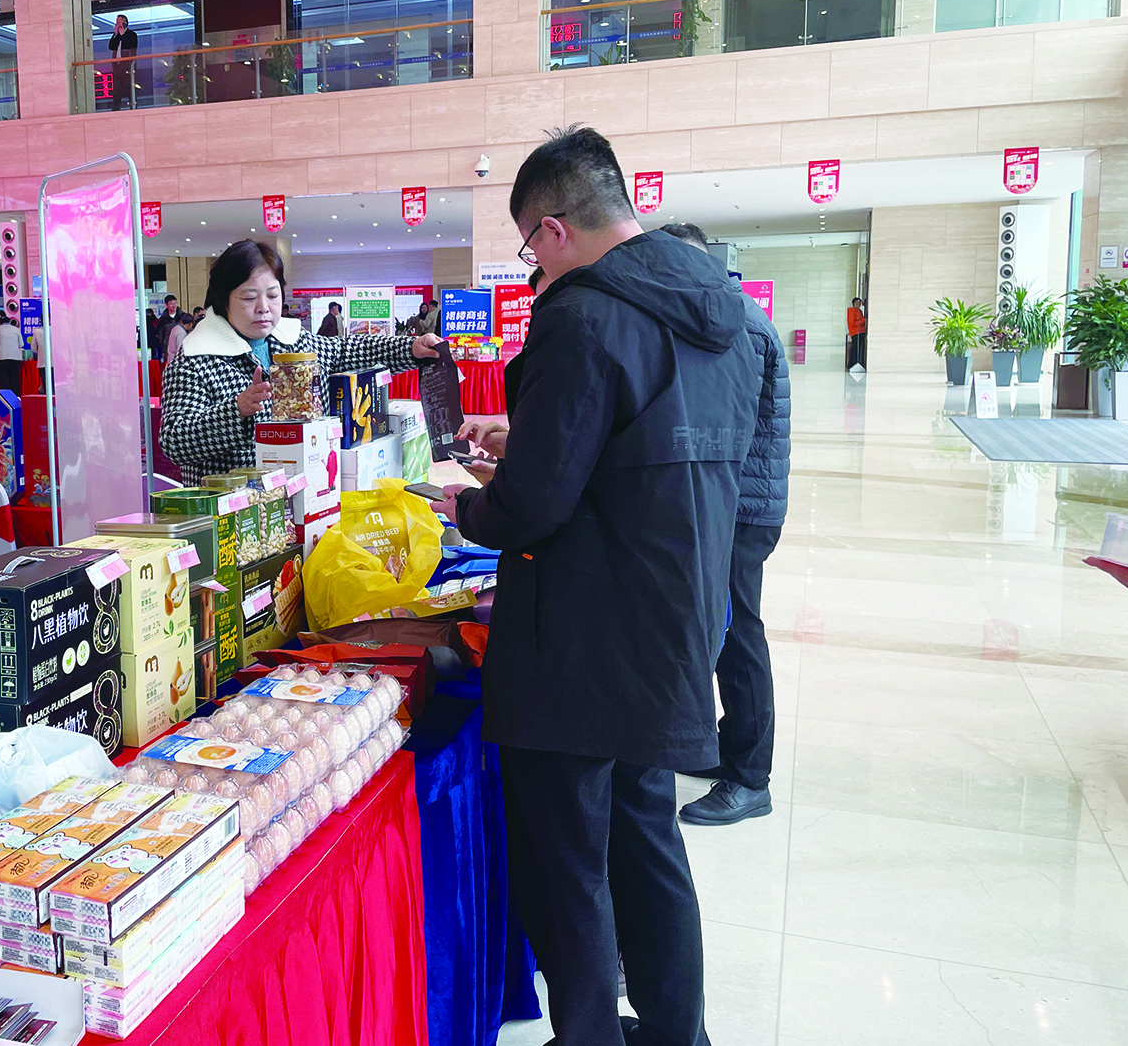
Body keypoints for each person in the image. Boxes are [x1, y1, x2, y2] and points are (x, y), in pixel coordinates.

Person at [431, 127, 759, 1046]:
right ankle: (677, 1032)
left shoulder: (580, 314)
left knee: (567, 861)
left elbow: (534, 505)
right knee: (648, 841)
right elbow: (645, 451)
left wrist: (469, 505)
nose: (533, 267)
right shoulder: (718, 311)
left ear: (550, 229)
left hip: (578, 640)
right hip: (671, 623)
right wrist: (531, 436)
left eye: (528, 250)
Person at [664, 223, 791, 827]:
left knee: (738, 636)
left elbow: (719, 425)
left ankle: (749, 779)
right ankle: (728, 747)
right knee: (720, 629)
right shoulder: (722, 314)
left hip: (740, 508)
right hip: (732, 502)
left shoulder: (734, 323)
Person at [161, 239, 441, 484]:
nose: (263, 307)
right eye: (249, 297)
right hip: (235, 510)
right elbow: (174, 441)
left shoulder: (294, 340)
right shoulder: (195, 359)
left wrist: (410, 347)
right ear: (224, 300)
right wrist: (237, 410)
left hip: (306, 495)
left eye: (273, 295)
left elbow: (349, 349)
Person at [109, 14, 139, 110]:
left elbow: (130, 45)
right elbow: (111, 47)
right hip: (117, 67)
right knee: (117, 90)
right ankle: (115, 109)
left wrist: (122, 35)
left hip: (128, 67)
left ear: (125, 23)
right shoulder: (117, 36)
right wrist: (116, 34)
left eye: (119, 22)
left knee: (130, 89)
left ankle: (133, 108)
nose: (117, 25)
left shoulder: (132, 35)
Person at [0, 312, 24, 392]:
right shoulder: (16, 330)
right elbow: (21, 344)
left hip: (1, 357)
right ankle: (16, 396)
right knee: (14, 379)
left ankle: (5, 397)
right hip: (15, 358)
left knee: (3, 380)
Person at [847, 296, 867, 369]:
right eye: (857, 303)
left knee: (859, 349)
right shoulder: (852, 311)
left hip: (860, 332)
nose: (858, 304)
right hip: (856, 333)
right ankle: (852, 364)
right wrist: (863, 321)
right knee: (855, 349)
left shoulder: (859, 311)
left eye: (859, 303)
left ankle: (858, 363)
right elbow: (853, 323)